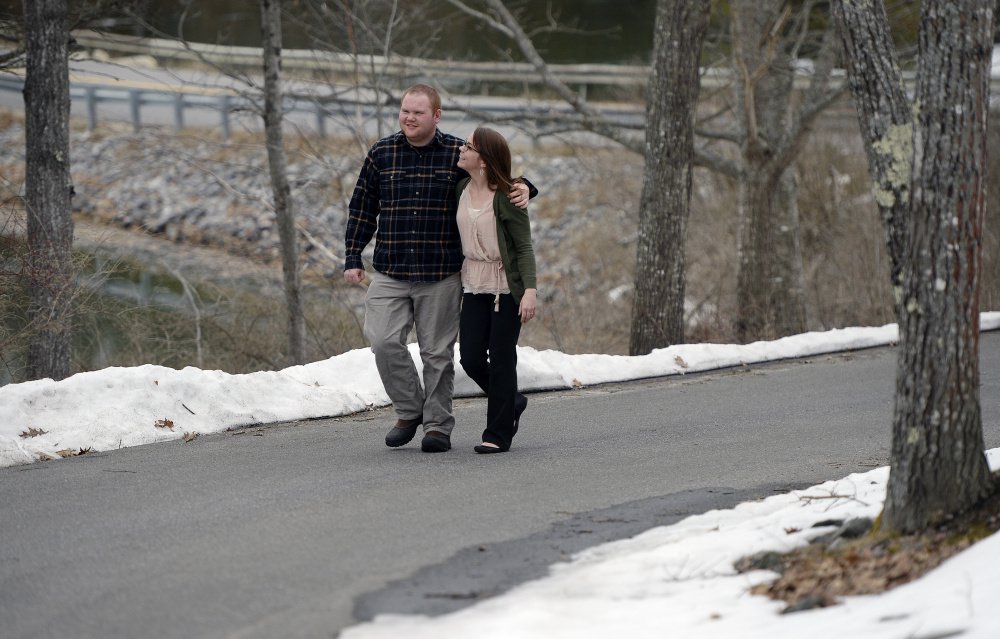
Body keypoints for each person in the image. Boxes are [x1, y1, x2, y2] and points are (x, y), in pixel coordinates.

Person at [344, 85, 532, 453]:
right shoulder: (382, 153)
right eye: (404, 111)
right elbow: (362, 207)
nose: (409, 118)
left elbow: (494, 172)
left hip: (441, 273)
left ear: (436, 116)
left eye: (417, 112)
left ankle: (437, 427)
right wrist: (353, 256)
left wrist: (527, 186)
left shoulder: (456, 154)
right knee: (383, 342)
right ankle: (410, 410)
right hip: (390, 269)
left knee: (437, 355)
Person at [455, 126, 537, 454]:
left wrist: (529, 290)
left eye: (468, 147)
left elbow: (524, 247)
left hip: (507, 287)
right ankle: (511, 400)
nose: (461, 150)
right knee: (471, 357)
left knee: (502, 358)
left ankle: (498, 433)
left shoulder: (507, 196)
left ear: (484, 160)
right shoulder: (460, 187)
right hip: (473, 283)